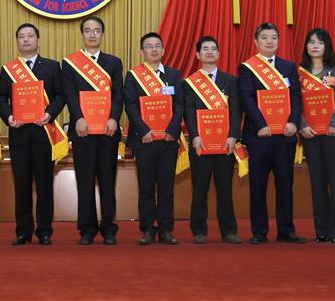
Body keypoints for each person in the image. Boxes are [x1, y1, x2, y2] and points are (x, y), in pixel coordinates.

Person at [0, 23, 65, 246]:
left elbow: (60, 96)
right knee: (22, 184)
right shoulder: (9, 69)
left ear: (38, 41)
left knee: (44, 184)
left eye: (30, 36)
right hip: (19, 135)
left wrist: (49, 114)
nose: (26, 40)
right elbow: (0, 99)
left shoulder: (52, 67)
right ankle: (23, 231)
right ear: (17, 42)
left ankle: (45, 230)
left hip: (44, 134)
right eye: (21, 37)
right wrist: (8, 118)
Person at [238, 22, 305, 244]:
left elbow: (296, 96)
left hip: (285, 135)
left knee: (285, 184)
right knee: (258, 184)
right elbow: (247, 99)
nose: (269, 41)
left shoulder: (288, 67)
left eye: (273, 37)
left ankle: (286, 229)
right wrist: (261, 124)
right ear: (256, 42)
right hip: (260, 136)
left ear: (278, 41)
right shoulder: (247, 68)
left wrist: (294, 122)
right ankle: (260, 231)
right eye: (264, 37)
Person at [61, 15, 124, 245]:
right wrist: (77, 118)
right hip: (83, 130)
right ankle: (86, 229)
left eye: (96, 30)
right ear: (82, 34)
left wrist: (114, 118)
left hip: (107, 130)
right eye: (87, 30)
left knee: (108, 180)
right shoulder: (70, 63)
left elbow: (118, 94)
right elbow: (69, 94)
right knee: (85, 180)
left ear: (103, 34)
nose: (92, 34)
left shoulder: (114, 63)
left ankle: (108, 228)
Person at [124, 32, 183, 245]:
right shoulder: (133, 76)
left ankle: (166, 229)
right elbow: (130, 105)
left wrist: (171, 130)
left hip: (168, 140)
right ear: (142, 52)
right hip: (144, 140)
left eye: (157, 45)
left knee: (166, 187)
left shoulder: (174, 75)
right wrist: (144, 130)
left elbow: (179, 106)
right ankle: (148, 229)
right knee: (147, 187)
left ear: (163, 50)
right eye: (149, 46)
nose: (154, 49)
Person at [182, 36, 241, 245]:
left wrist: (234, 135)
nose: (209, 52)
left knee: (225, 189)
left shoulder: (231, 80)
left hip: (225, 144)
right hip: (201, 144)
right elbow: (188, 111)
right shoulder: (189, 84)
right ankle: (198, 230)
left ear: (218, 53)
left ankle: (229, 231)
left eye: (213, 49)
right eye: (205, 49)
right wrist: (195, 136)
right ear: (198, 55)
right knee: (200, 189)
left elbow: (236, 111)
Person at [298, 28, 335, 243]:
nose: (315, 45)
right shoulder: (300, 71)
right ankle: (321, 230)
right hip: (310, 133)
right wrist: (302, 125)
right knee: (316, 181)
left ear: (326, 45)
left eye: (319, 42)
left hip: (332, 132)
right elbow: (295, 102)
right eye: (311, 42)